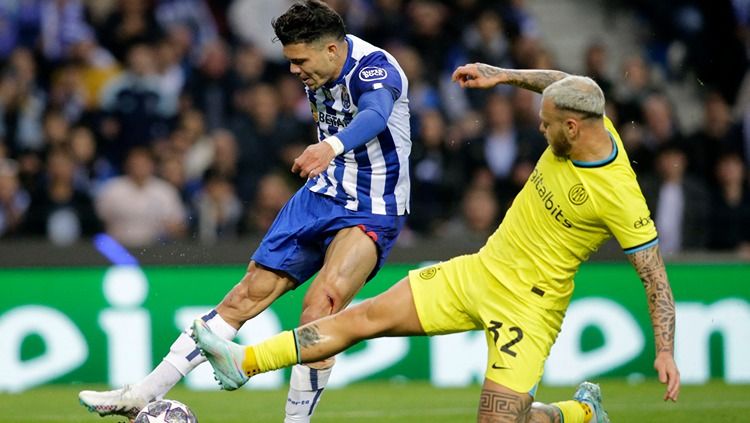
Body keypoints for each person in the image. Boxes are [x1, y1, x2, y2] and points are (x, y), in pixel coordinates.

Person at [192, 65, 681, 423]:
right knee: (359, 319)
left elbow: (654, 275)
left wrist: (664, 350)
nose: (540, 127)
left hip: (529, 312)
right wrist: (502, 76)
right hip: (477, 273)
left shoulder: (620, 195)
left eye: (547, 123)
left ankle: (575, 413)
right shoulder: (588, 115)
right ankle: (243, 362)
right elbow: (559, 83)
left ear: (572, 128)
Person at [79, 1, 412, 422]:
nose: (294, 71)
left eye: (299, 61)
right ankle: (143, 393)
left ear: (331, 50)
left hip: (372, 206)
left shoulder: (374, 69)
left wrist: (329, 146)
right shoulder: (319, 65)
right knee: (244, 296)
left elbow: (376, 114)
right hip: (321, 194)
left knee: (319, 308)